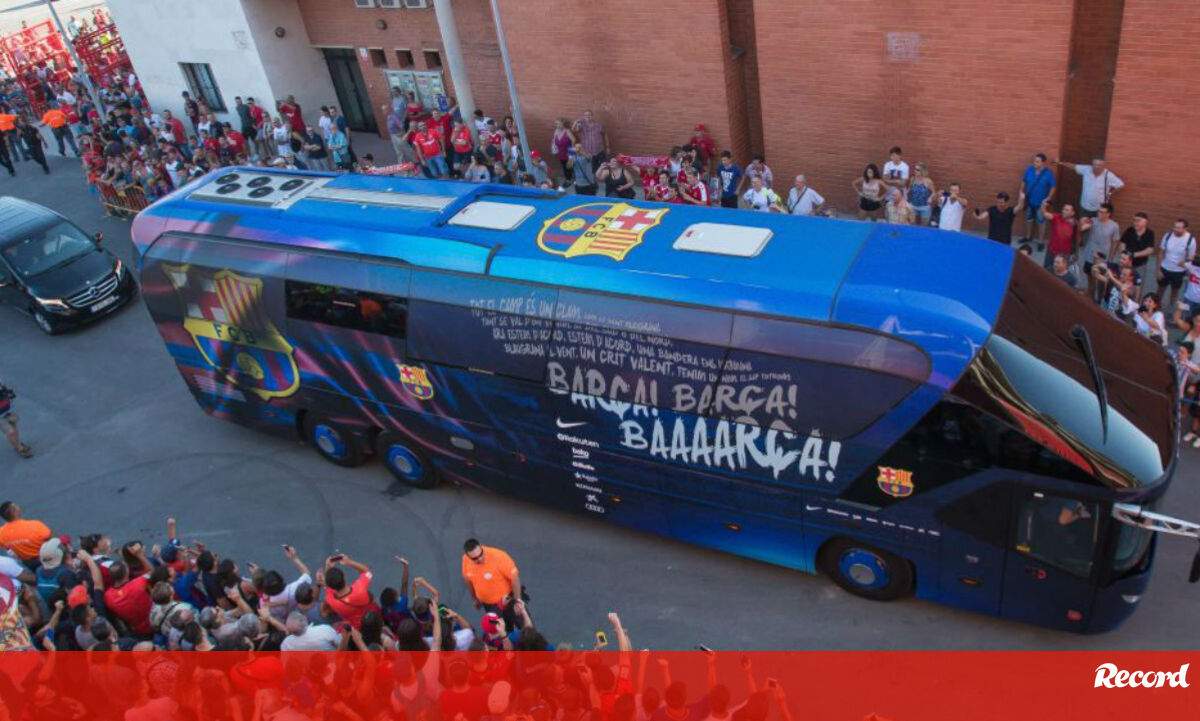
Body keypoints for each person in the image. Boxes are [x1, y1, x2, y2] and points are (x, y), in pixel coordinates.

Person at [461, 538, 522, 614]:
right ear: (468, 556)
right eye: (475, 558)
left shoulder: (499, 557)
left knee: (522, 621)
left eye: (481, 554)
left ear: (481, 547)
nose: (479, 559)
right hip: (489, 606)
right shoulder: (466, 560)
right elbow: (468, 580)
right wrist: (475, 599)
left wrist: (517, 602)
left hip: (508, 601)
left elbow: (515, 578)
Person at [322, 554, 379, 629]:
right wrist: (349, 562)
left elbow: (327, 586)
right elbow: (367, 572)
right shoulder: (359, 588)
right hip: (372, 616)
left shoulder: (331, 600)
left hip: (355, 626)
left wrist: (327, 567)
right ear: (344, 577)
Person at [1057, 156, 1124, 218]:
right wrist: (1060, 163)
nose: (1097, 167)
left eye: (1100, 165)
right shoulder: (1086, 169)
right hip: (1084, 207)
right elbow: (1074, 166)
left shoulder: (1108, 175)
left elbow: (1120, 185)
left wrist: (1110, 194)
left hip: (1099, 209)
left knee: (1097, 226)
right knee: (1083, 225)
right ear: (1092, 165)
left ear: (1103, 166)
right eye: (1095, 164)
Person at [1080, 203, 1121, 300]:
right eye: (1099, 211)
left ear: (1108, 214)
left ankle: (1098, 299)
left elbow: (1115, 241)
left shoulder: (1114, 226)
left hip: (1103, 257)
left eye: (1102, 212)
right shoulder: (1093, 221)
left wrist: (1111, 257)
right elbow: (1082, 228)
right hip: (1090, 254)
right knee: (1090, 277)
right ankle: (1090, 296)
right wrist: (1082, 222)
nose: (1099, 214)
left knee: (1101, 280)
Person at [1158, 219, 1197, 310]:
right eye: (1174, 227)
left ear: (1185, 229)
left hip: (1179, 271)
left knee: (1174, 292)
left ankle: (1170, 309)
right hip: (1165, 268)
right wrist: (1159, 269)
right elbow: (1161, 253)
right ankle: (1156, 306)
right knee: (1160, 289)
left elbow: (1191, 257)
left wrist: (1184, 262)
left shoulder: (1191, 240)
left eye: (1178, 228)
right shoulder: (1168, 236)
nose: (1175, 229)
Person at [1019, 153, 1056, 247]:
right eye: (1034, 161)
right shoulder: (1029, 170)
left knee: (1041, 222)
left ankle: (1040, 242)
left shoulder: (1048, 173)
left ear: (1043, 163)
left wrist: (1048, 198)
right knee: (1029, 219)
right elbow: (1023, 180)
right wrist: (1021, 191)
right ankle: (1028, 237)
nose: (1035, 163)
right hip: (1029, 201)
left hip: (1041, 204)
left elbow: (1053, 187)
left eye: (1037, 161)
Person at [1040, 200, 1088, 270]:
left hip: (1064, 255)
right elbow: (1044, 213)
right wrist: (1043, 206)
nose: (1064, 211)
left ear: (1072, 213)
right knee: (1046, 270)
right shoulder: (1056, 217)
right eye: (1063, 209)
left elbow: (1077, 241)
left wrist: (1076, 254)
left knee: (1061, 272)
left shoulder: (1075, 224)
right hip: (1051, 251)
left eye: (1067, 210)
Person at [1118, 211, 1156, 285]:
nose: (1135, 223)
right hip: (1126, 264)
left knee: (1137, 284)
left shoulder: (1150, 233)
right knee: (1121, 283)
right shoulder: (1129, 230)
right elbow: (1122, 243)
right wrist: (1125, 255)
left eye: (1138, 220)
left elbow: (1150, 250)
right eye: (1134, 220)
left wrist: (1134, 255)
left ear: (1145, 222)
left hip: (1140, 265)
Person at [0, 379, 31, 458]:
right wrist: (6, 399)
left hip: (9, 412)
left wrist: (9, 396)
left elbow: (9, 393)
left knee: (14, 428)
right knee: (11, 432)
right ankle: (19, 448)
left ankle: (18, 443)